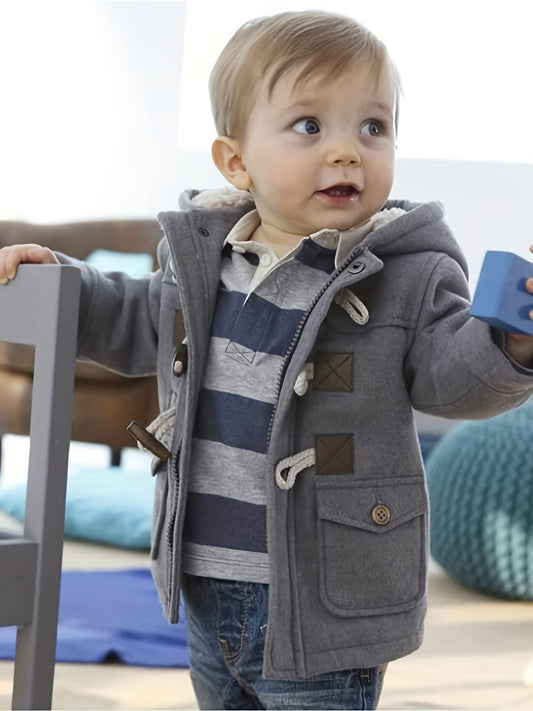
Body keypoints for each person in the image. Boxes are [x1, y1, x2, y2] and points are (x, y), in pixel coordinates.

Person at [2, 10, 533, 710]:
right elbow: (132, 317)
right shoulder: (202, 263)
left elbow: (448, 376)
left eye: (372, 127)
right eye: (310, 126)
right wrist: (61, 278)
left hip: (324, 596)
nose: (347, 150)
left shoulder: (408, 272)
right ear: (236, 162)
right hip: (203, 582)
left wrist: (511, 341)